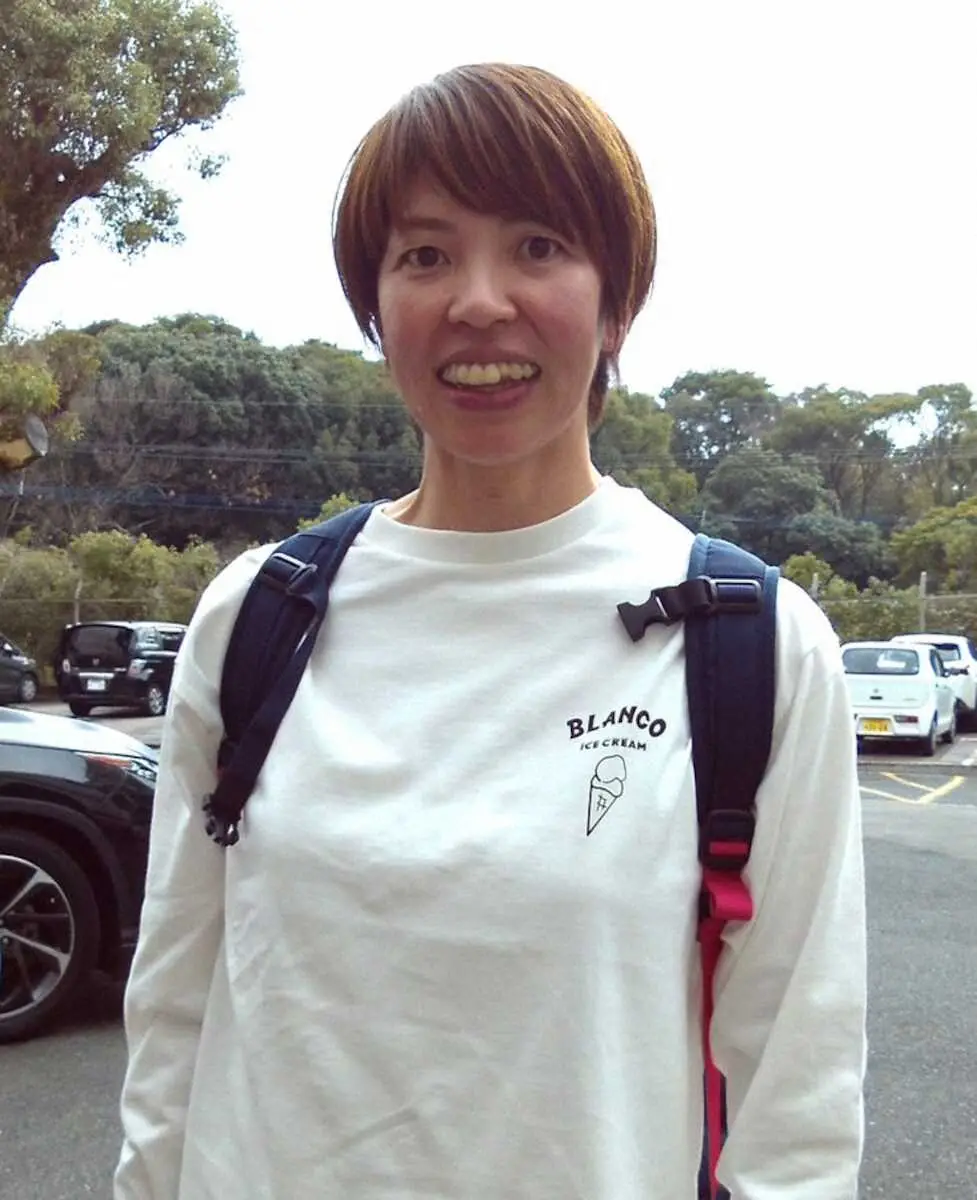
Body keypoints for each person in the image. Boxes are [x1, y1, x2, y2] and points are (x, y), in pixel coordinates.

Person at [114, 63, 867, 1199]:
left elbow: (796, 1091)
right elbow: (176, 1005)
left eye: (537, 246)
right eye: (424, 255)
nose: (477, 301)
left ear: (616, 303)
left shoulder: (753, 643)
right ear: (375, 308)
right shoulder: (258, 615)